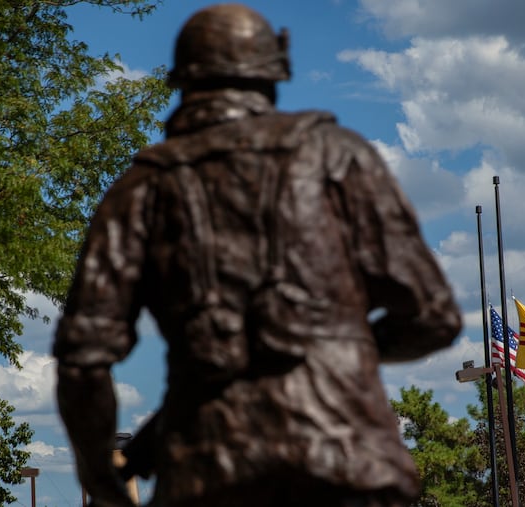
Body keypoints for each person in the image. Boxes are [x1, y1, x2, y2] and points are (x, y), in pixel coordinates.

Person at [53, 4, 462, 507]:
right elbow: (432, 315)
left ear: (182, 81)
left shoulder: (141, 190)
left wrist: (102, 482)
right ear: (274, 74)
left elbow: (82, 360)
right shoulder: (339, 155)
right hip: (350, 466)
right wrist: (333, 350)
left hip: (208, 475)